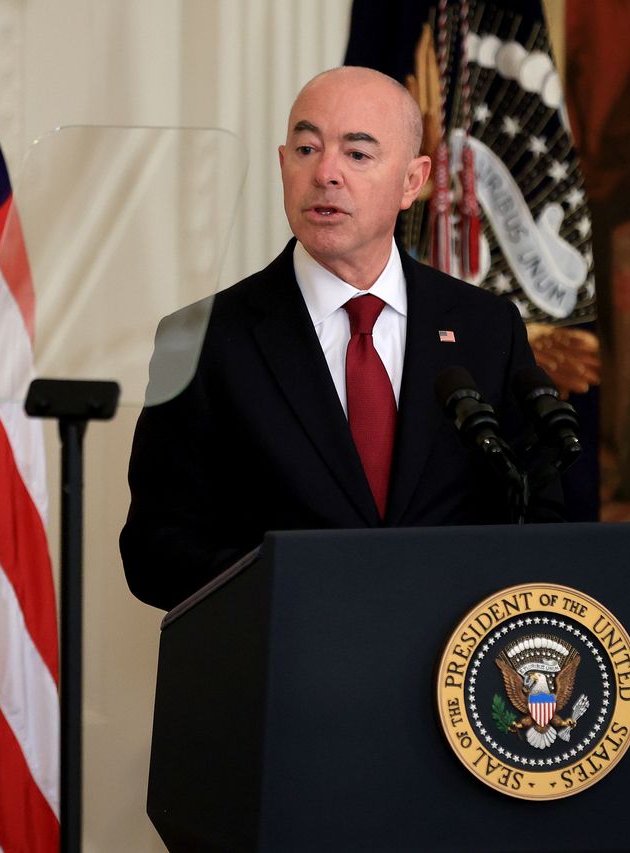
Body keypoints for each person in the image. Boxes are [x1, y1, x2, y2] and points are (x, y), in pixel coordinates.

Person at [120, 66, 554, 611]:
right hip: (283, 669)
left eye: (357, 154)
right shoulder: (201, 338)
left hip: (450, 671)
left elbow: (541, 513)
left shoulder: (487, 328)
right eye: (306, 149)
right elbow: (155, 548)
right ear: (282, 165)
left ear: (413, 182)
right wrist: (302, 590)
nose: (325, 173)